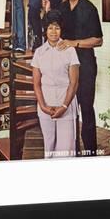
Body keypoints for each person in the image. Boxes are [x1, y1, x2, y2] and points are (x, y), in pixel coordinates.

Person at [43, 0, 103, 155]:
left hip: (85, 66)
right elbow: (51, 29)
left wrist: (73, 43)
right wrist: (47, 12)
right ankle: (73, 152)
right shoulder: (60, 8)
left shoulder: (90, 8)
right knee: (67, 110)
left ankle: (91, 152)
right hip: (65, 68)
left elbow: (98, 40)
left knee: (86, 109)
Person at [32, 10, 80, 158]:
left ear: (61, 29)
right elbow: (37, 84)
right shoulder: (39, 53)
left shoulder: (70, 51)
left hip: (65, 105)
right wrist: (43, 106)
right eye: (50, 27)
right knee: (49, 149)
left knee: (65, 151)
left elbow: (74, 83)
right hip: (45, 107)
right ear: (45, 29)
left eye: (57, 27)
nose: (53, 31)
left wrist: (64, 106)